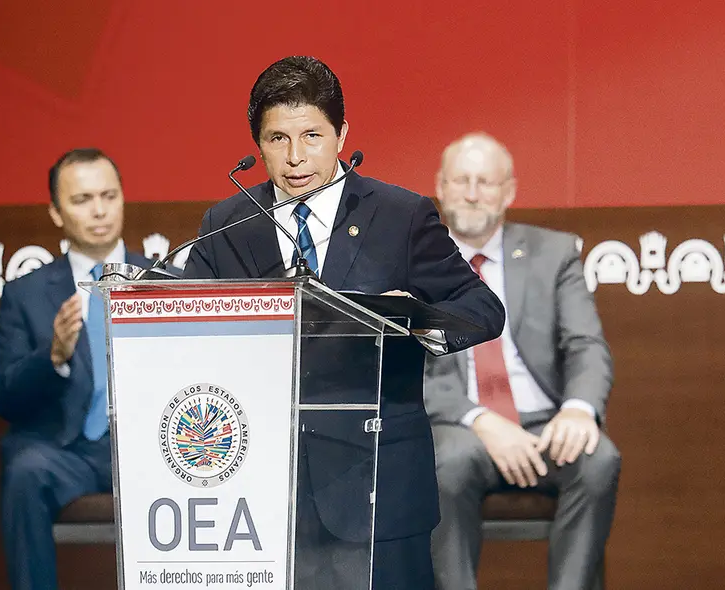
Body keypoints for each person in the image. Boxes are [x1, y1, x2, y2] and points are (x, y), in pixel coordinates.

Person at [183, 56, 505, 589]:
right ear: (257, 145)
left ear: (342, 134)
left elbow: (481, 308)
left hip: (378, 483)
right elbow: (192, 330)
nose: (295, 157)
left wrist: (413, 320)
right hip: (261, 489)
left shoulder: (400, 215)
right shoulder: (227, 224)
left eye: (311, 135)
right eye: (277, 139)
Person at [424, 132, 621, 590]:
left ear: (509, 191)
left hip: (543, 424)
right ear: (440, 186)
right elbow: (409, 368)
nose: (472, 193)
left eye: (485, 182)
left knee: (599, 459)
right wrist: (479, 420)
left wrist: (578, 409)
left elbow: (586, 344)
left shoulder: (552, 254)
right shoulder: (414, 261)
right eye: (461, 181)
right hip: (458, 426)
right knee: (444, 463)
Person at [0, 148, 151, 590]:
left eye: (109, 195)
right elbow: (4, 397)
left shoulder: (165, 280)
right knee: (25, 469)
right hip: (67, 454)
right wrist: (54, 356)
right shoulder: (26, 293)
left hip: (147, 452)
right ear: (56, 213)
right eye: (82, 200)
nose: (99, 210)